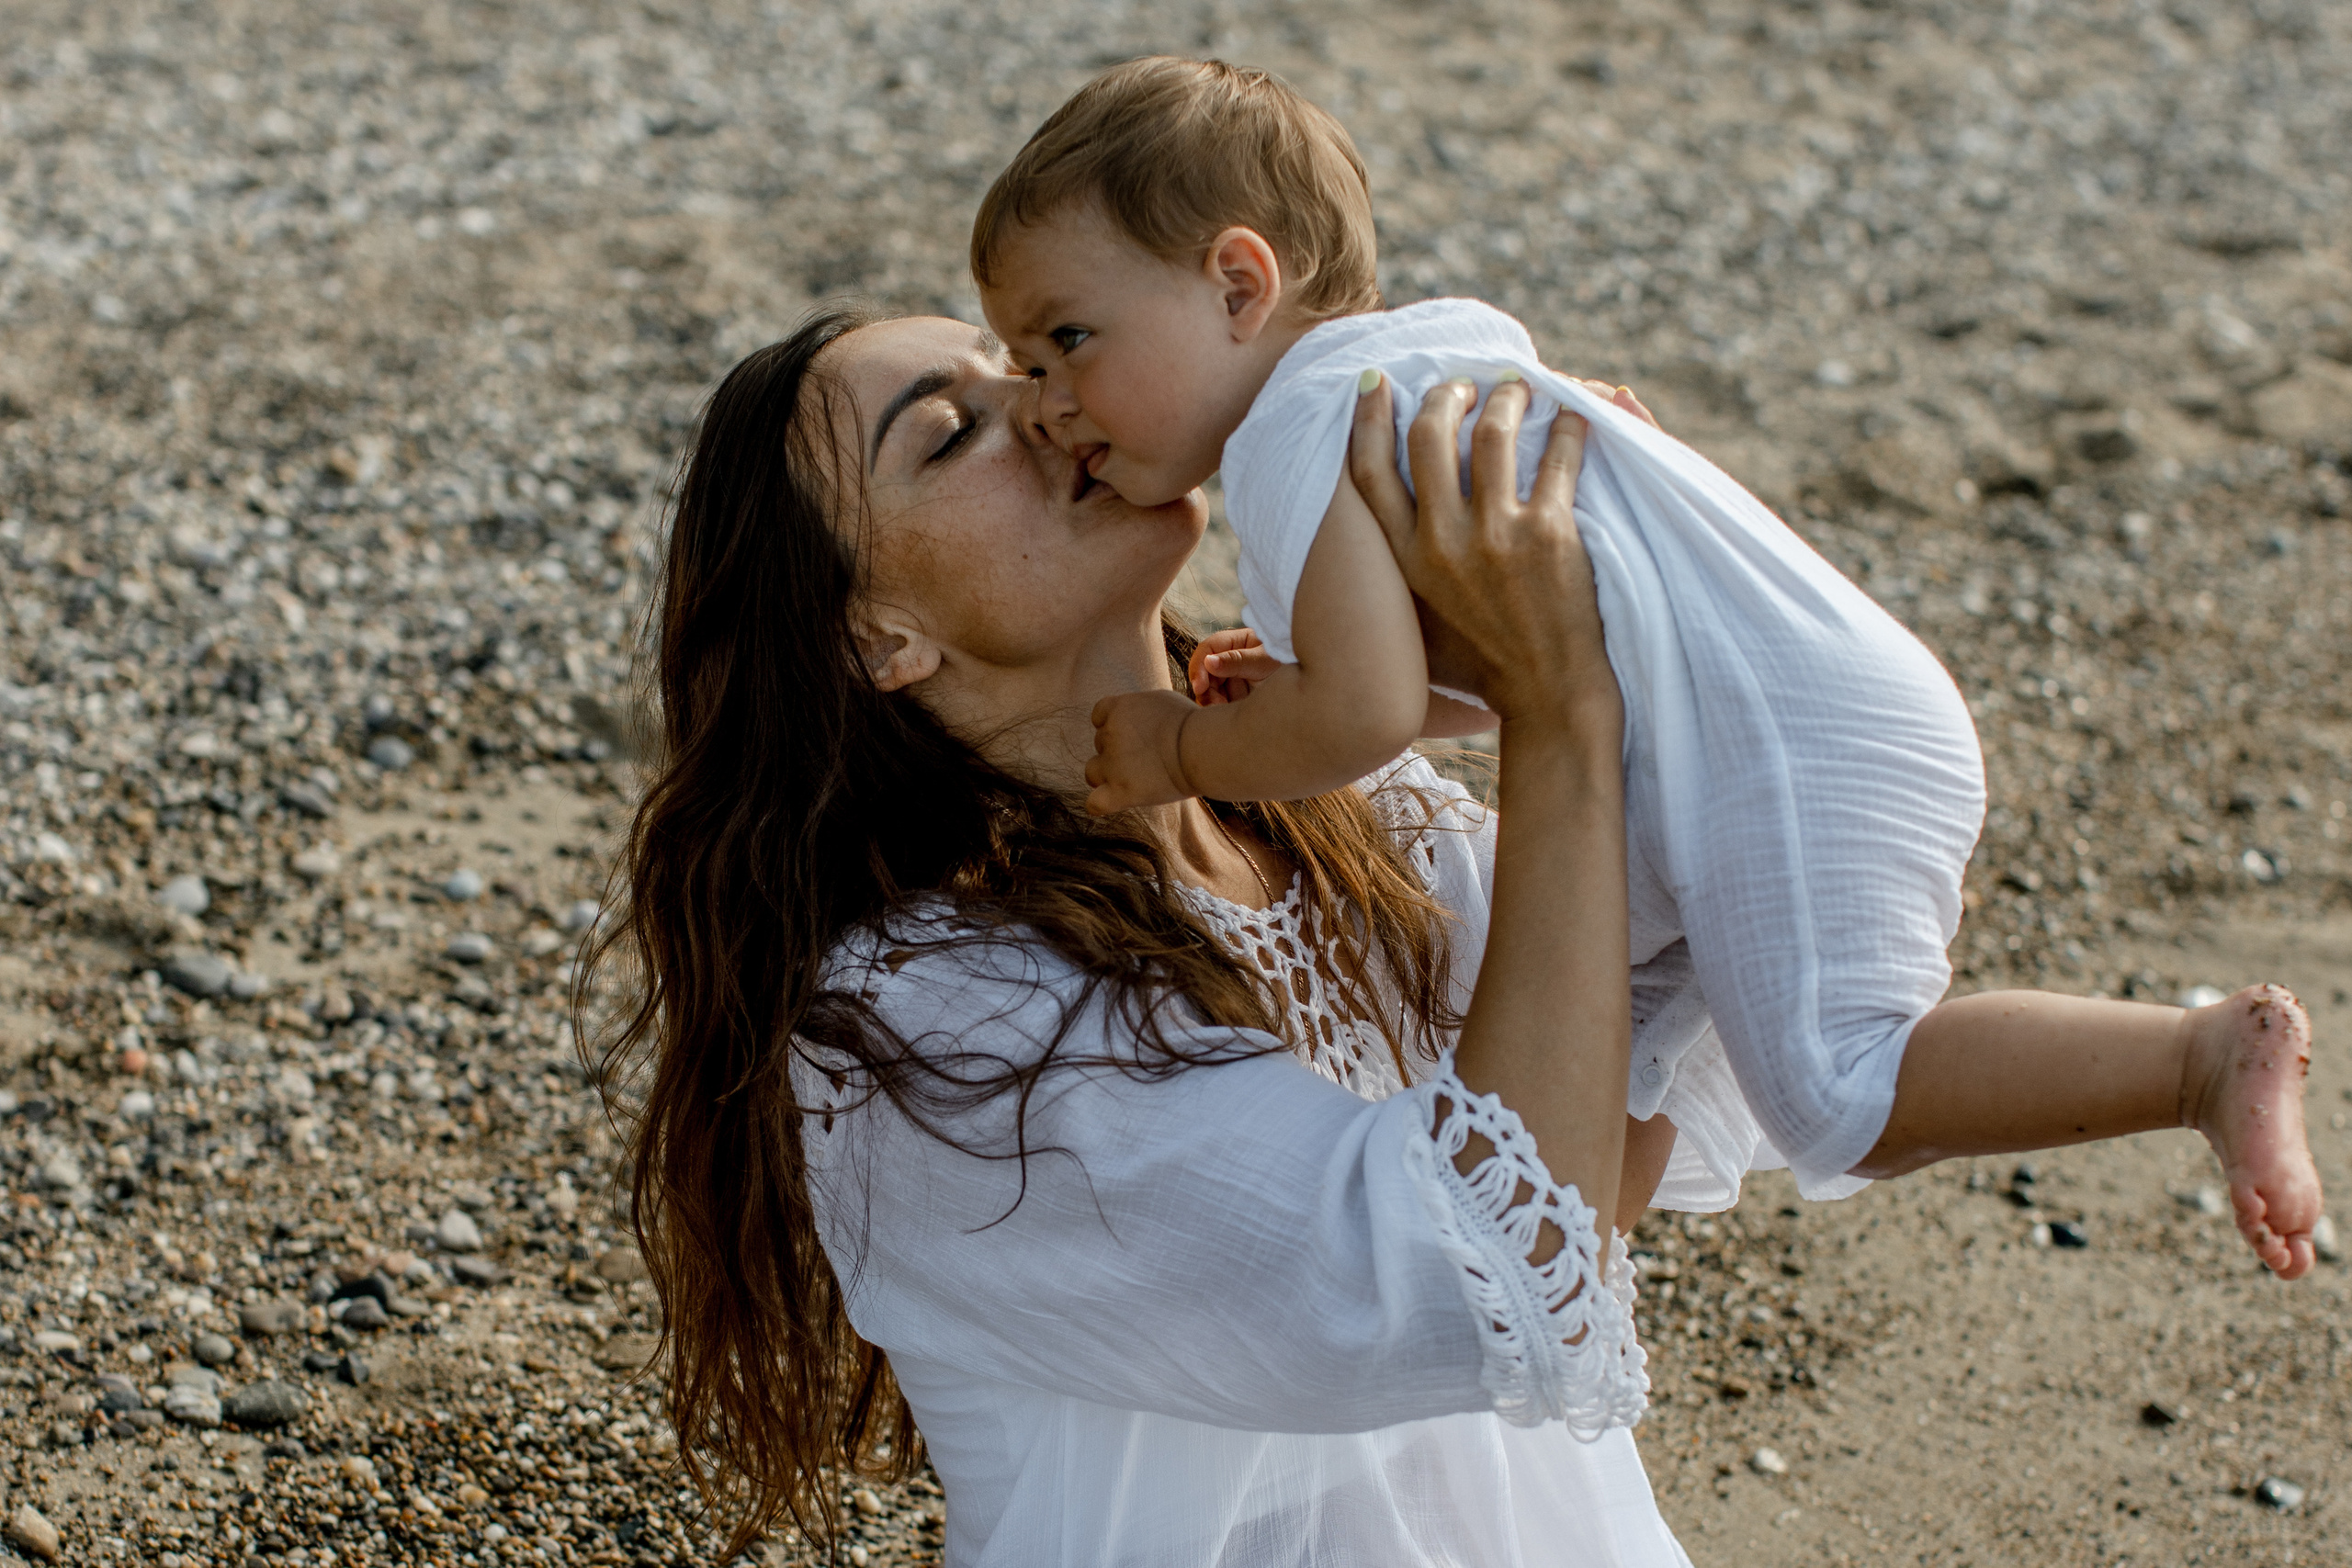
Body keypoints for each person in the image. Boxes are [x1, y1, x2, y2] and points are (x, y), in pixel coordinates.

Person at [967, 55, 2321, 1268]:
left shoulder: (1300, 429)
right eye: (1024, 363)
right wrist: (1325, 683)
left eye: (1069, 339)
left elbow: (1367, 713)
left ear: (1238, 285)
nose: (1046, 399)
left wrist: (1184, 749)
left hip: (1785, 737)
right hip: (1765, 718)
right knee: (1604, 1036)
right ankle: (1569, 1281)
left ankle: (2198, 1056)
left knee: (1843, 1094)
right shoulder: (1422, 369)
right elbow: (1492, 659)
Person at [591, 302, 1699, 1564]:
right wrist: (1559, 710)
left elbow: (1650, 1041)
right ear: (879, 638)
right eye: (954, 435)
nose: (1054, 406)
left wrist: (1640, 567)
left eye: (1032, 365)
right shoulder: (929, 1018)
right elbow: (1485, 1288)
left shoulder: (1337, 814)